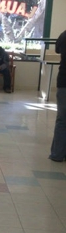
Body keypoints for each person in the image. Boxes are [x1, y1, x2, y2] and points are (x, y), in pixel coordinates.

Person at [49, 30, 66, 162]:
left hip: (63, 82)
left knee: (62, 120)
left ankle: (57, 153)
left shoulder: (63, 35)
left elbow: (57, 50)